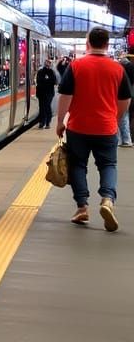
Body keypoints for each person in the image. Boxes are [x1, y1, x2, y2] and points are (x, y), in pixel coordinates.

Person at [56, 27, 131, 231]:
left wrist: (60, 121)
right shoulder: (118, 69)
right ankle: (107, 199)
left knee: (78, 165)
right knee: (108, 165)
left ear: (88, 43)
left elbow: (65, 96)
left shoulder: (76, 66)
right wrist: (114, 119)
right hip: (106, 128)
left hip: (78, 127)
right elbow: (125, 100)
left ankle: (82, 207)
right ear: (107, 44)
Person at [34, 57, 57, 129]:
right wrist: (47, 80)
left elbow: (54, 82)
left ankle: (47, 122)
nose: (48, 64)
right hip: (42, 93)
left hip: (48, 93)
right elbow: (39, 81)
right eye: (47, 62)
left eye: (49, 63)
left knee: (46, 106)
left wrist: (45, 81)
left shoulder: (51, 72)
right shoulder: (40, 72)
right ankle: (42, 122)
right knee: (42, 107)